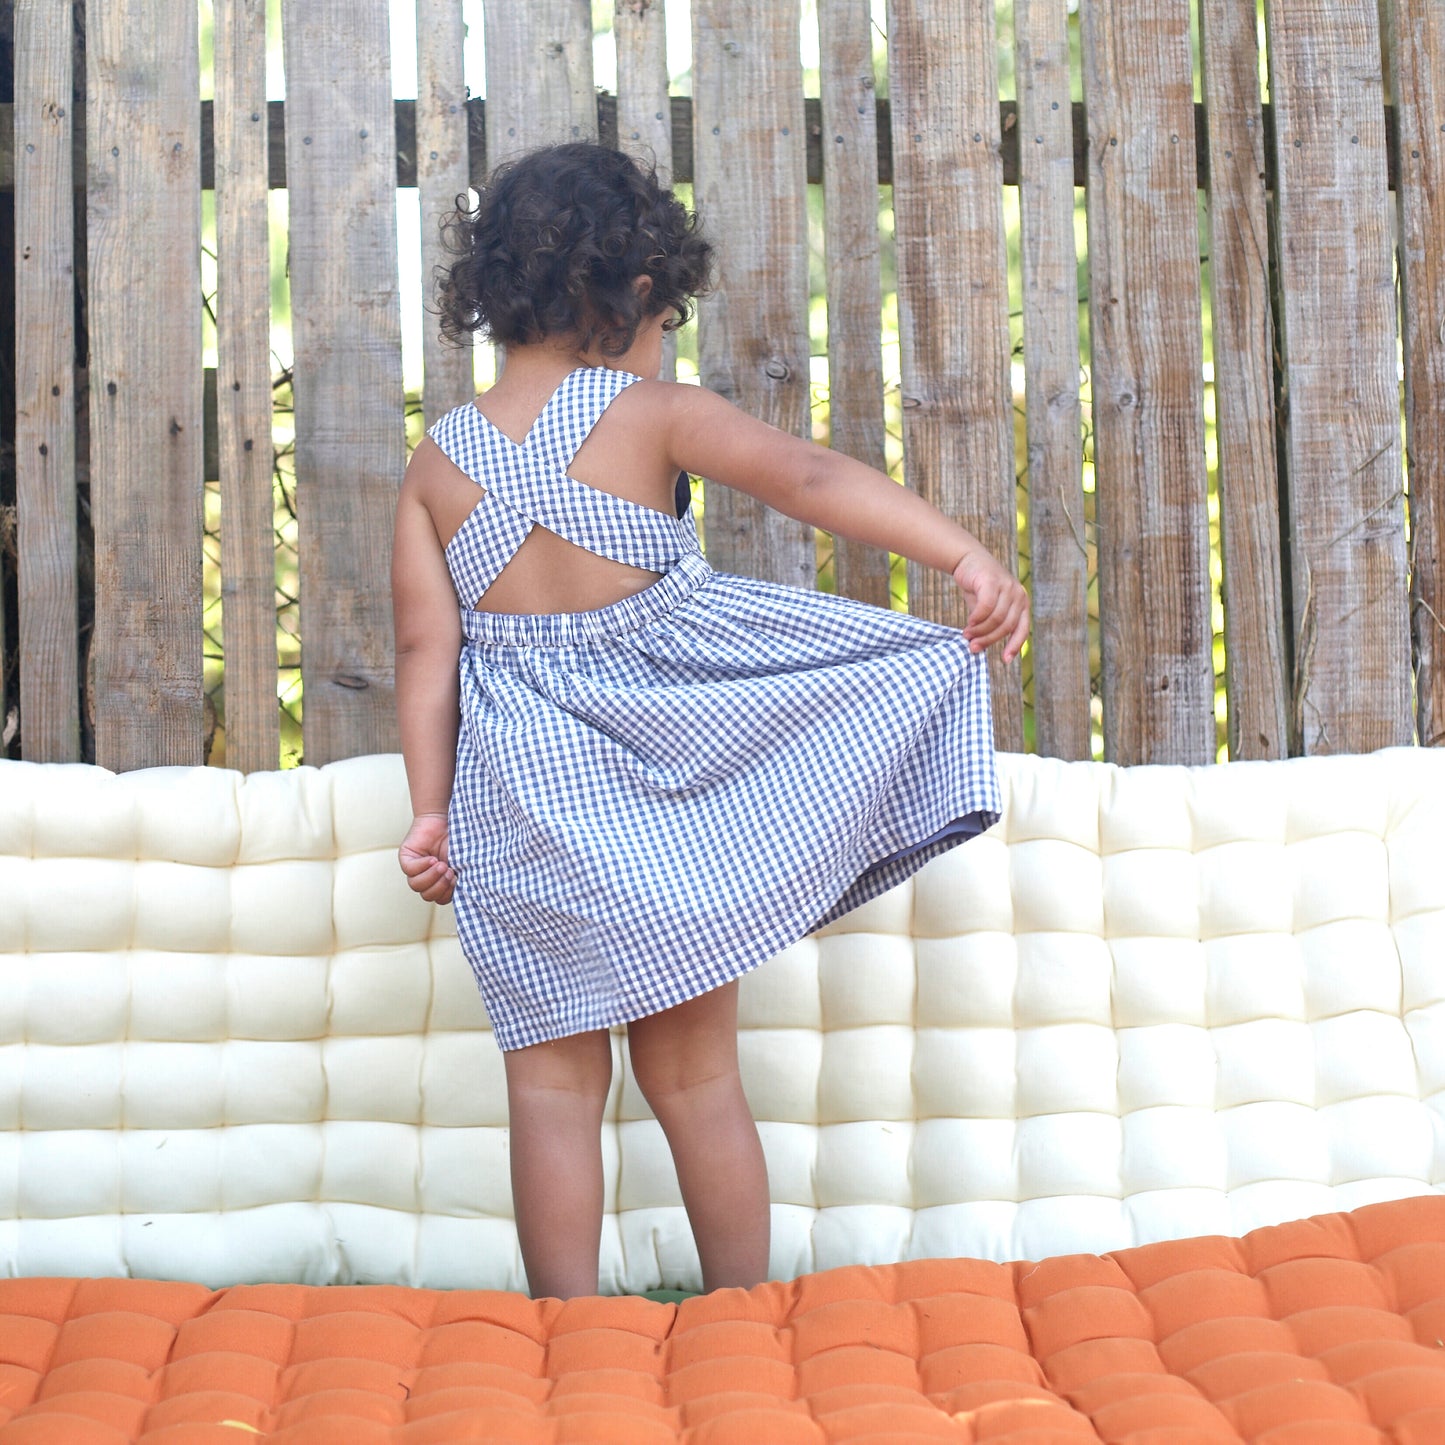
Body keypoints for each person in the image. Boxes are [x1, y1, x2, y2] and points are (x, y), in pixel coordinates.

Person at [392, 142, 1029, 1301]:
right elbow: (807, 479)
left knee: (547, 1086)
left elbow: (425, 652)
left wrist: (430, 814)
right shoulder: (655, 414)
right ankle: (741, 1317)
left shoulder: (436, 465)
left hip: (521, 801)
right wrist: (960, 554)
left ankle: (564, 1333)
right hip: (665, 802)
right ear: (638, 289)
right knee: (693, 1079)